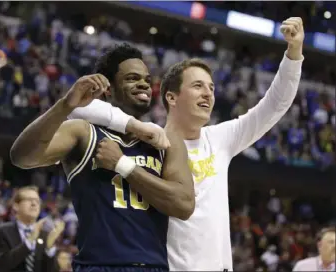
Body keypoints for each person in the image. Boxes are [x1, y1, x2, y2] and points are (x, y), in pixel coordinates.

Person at [68, 17, 305, 271]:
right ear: (171, 97)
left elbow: (274, 106)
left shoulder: (221, 138)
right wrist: (135, 126)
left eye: (211, 88)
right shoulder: (148, 142)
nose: (208, 93)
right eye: (198, 86)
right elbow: (78, 109)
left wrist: (294, 52)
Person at [10, 44, 195, 272]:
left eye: (147, 79)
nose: (144, 84)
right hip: (98, 265)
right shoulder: (84, 132)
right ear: (109, 89)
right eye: (132, 78)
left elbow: (184, 205)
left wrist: (122, 165)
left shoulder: (166, 141)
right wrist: (66, 104)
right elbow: (21, 156)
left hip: (153, 265)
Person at [0, 186, 64, 272]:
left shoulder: (45, 235)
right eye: (29, 199)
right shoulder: (1, 231)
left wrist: (49, 247)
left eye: (37, 201)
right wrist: (30, 239)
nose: (34, 204)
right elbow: (2, 265)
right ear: (16, 206)